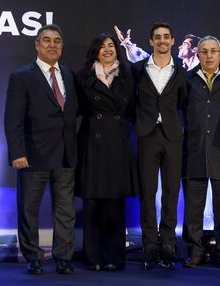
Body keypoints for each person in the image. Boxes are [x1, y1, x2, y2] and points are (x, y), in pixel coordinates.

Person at [4, 24, 77, 275]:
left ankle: (63, 258)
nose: (52, 44)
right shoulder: (22, 76)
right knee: (29, 210)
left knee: (66, 211)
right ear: (37, 45)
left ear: (62, 46)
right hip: (33, 155)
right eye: (46, 40)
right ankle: (33, 258)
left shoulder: (68, 75)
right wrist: (17, 152)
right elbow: (12, 119)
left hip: (66, 155)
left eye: (57, 40)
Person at [75, 33, 138, 271]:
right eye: (102, 47)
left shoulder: (129, 75)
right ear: (95, 51)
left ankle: (114, 256)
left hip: (118, 142)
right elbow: (78, 109)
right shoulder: (82, 77)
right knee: (92, 203)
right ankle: (93, 258)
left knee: (114, 202)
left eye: (111, 45)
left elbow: (132, 109)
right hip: (91, 142)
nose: (107, 50)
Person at [131, 22, 187, 270]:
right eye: (157, 37)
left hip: (173, 136)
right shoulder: (137, 70)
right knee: (147, 193)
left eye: (166, 36)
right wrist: (141, 122)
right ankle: (150, 245)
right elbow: (130, 103)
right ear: (151, 42)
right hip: (147, 136)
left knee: (171, 193)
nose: (162, 40)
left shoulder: (182, 72)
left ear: (173, 41)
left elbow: (184, 103)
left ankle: (167, 244)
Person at [181, 36, 220, 269]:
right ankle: (195, 251)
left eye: (213, 51)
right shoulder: (187, 80)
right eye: (204, 51)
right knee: (193, 207)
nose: (209, 56)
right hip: (193, 151)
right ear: (198, 54)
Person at [114, 25, 200, 71]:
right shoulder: (175, 67)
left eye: (185, 44)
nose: (179, 47)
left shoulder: (202, 70)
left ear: (194, 49)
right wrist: (127, 43)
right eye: (158, 37)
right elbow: (145, 60)